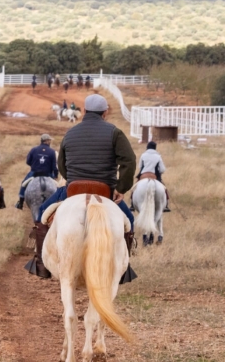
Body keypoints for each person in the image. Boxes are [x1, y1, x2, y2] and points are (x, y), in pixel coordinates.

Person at [28, 94, 136, 281]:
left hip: (73, 189)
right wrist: (121, 188)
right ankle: (122, 270)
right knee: (129, 221)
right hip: (105, 191)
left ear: (84, 111)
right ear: (105, 112)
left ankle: (41, 265)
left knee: (43, 214)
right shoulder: (115, 133)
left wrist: (72, 178)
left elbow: (62, 165)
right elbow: (129, 160)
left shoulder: (70, 133)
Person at [15, 133, 58, 210]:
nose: (50, 142)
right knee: (57, 187)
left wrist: (35, 165)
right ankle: (58, 202)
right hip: (47, 174)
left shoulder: (34, 149)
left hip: (34, 173)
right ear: (46, 141)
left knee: (23, 184)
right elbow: (54, 166)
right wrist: (55, 175)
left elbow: (28, 161)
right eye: (49, 140)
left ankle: (20, 203)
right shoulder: (52, 152)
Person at [134, 141, 170, 212]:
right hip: (154, 176)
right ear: (155, 148)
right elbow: (162, 169)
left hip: (143, 175)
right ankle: (166, 205)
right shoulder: (158, 156)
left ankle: (132, 204)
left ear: (147, 147)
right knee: (165, 189)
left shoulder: (143, 155)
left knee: (134, 188)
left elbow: (140, 166)